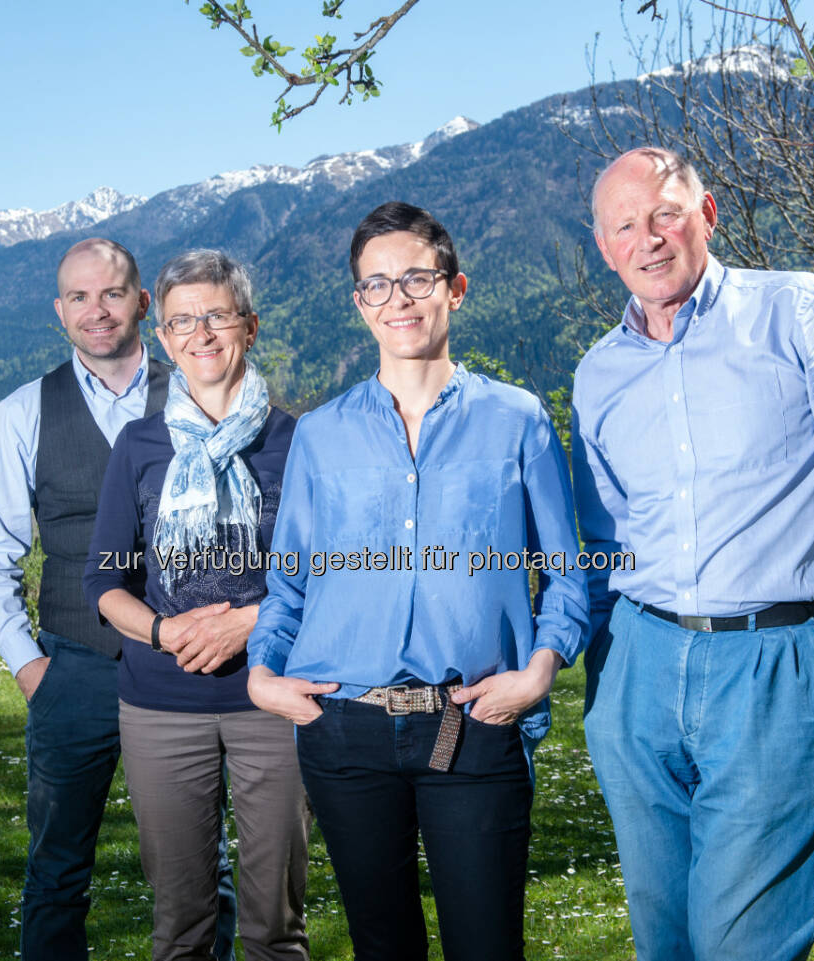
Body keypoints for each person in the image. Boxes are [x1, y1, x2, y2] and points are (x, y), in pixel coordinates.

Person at [572, 147, 814, 961]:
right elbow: (602, 539)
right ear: (604, 246)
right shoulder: (598, 372)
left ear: (708, 214)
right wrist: (601, 684)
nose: (650, 239)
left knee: (747, 944)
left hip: (774, 663)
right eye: (627, 225)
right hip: (637, 666)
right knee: (666, 943)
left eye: (666, 214)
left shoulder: (797, 310)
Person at [247, 201, 589, 961]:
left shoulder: (519, 420)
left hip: (475, 721)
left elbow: (568, 573)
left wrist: (540, 670)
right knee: (382, 944)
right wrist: (262, 674)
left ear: (455, 289)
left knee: (486, 945)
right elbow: (291, 583)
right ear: (358, 303)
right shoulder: (321, 434)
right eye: (376, 285)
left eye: (415, 279)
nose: (397, 300)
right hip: (343, 728)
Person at [0, 238, 235, 961]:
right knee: (56, 871)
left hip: (186, 667)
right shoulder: (25, 412)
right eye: (78, 297)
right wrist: (30, 667)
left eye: (112, 293)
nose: (96, 310)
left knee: (206, 869)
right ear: (59, 311)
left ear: (143, 303)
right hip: (74, 668)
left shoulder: (199, 397)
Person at [82, 249, 309, 961]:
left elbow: (320, 572)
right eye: (182, 320)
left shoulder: (298, 442)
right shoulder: (139, 445)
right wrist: (162, 626)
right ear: (164, 335)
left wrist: (251, 619)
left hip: (270, 699)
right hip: (158, 704)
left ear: (250, 324)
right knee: (180, 923)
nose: (200, 333)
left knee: (275, 925)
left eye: (216, 315)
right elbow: (106, 578)